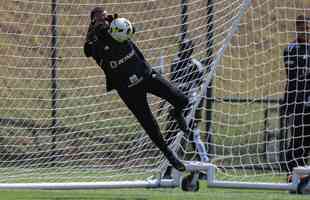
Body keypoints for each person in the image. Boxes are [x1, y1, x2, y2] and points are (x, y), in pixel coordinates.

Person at [83, 7, 190, 172]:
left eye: (104, 17)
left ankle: (176, 112)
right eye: (99, 19)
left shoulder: (119, 29)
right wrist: (93, 29)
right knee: (149, 124)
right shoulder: (95, 44)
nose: (103, 21)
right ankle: (168, 154)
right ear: (93, 22)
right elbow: (87, 51)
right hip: (128, 89)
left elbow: (131, 29)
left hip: (147, 76)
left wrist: (114, 22)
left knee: (182, 100)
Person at [283, 15, 310, 175]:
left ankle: (303, 174)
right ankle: (292, 174)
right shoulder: (291, 49)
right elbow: (293, 77)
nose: (304, 31)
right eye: (301, 28)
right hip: (297, 101)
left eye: (307, 28)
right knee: (297, 139)